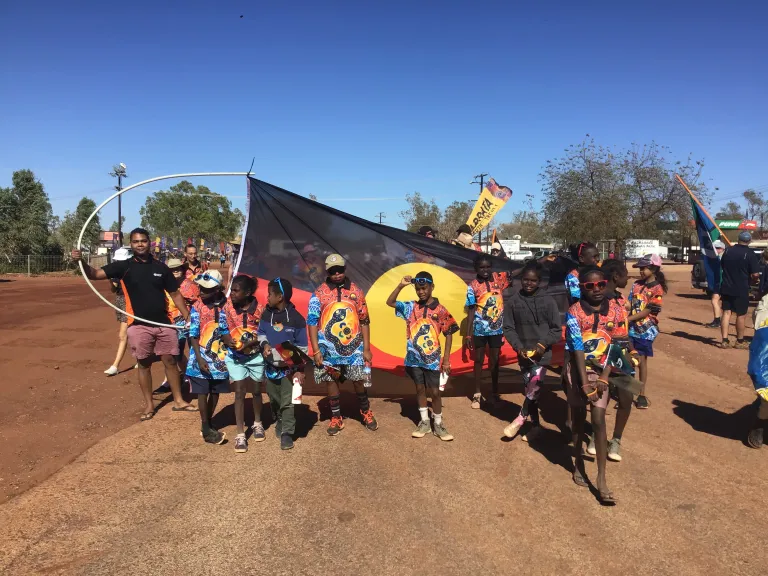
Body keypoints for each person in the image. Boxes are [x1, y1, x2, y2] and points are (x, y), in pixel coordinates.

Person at [72, 229, 196, 420]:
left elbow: (175, 294)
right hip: (138, 324)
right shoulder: (124, 267)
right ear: (131, 244)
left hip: (164, 322)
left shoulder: (161, 267)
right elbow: (95, 274)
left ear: (149, 243)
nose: (140, 244)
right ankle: (148, 405)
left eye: (143, 241)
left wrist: (187, 316)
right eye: (136, 241)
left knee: (171, 361)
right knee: (144, 363)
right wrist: (80, 261)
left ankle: (179, 401)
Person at [565, 267, 623, 504]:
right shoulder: (574, 312)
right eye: (589, 286)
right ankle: (578, 461)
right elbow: (577, 347)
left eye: (601, 284)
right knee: (578, 418)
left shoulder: (617, 311)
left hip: (603, 371)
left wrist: (603, 377)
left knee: (598, 419)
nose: (596, 289)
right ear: (581, 289)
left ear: (606, 284)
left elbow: (617, 344)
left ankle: (601, 478)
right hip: (578, 369)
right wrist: (583, 382)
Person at [307, 254, 377, 435]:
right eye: (332, 271)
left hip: (355, 348)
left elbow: (365, 321)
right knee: (331, 381)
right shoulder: (318, 293)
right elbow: (312, 322)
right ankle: (336, 417)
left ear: (345, 269)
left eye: (340, 270)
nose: (337, 274)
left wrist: (367, 349)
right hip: (327, 349)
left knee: (359, 380)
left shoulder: (357, 291)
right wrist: (316, 350)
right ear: (327, 272)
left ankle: (365, 410)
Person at [387, 272, 459, 440]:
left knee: (434, 392)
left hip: (432, 360)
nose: (421, 292)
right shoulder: (411, 307)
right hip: (414, 359)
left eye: (424, 288)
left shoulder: (440, 310)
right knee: (419, 388)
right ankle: (425, 422)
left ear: (432, 287)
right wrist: (401, 285)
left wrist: (446, 359)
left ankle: (439, 424)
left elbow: (449, 333)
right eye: (418, 289)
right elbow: (390, 302)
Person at [502, 261, 562, 441]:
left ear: (539, 281)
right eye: (526, 280)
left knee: (535, 385)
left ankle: (520, 419)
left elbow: (556, 330)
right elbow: (508, 328)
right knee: (531, 390)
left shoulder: (548, 301)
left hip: (543, 354)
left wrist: (542, 345)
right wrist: (518, 347)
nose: (529, 283)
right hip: (523, 354)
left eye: (533, 281)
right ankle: (536, 427)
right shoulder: (513, 302)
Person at [586, 259, 637, 462]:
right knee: (601, 399)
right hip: (602, 355)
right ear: (616, 276)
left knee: (626, 398)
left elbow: (623, 329)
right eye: (625, 274)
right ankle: (595, 436)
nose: (628, 277)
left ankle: (616, 440)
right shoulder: (599, 300)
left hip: (622, 354)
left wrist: (631, 350)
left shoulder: (620, 299)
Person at [257, 278, 308, 451]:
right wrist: (264, 345)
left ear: (280, 297)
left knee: (288, 401)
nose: (267, 297)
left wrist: (299, 370)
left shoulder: (297, 319)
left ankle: (287, 432)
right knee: (274, 399)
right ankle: (278, 418)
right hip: (270, 368)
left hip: (290, 370)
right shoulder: (266, 315)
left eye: (270, 294)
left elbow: (302, 348)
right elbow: (261, 333)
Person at [219, 274, 266, 453]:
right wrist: (227, 339)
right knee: (239, 392)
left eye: (236, 291)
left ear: (247, 292)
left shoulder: (260, 310)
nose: (231, 294)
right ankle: (240, 435)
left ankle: (257, 422)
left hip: (256, 358)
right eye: (231, 290)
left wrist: (250, 344)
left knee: (255, 392)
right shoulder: (228, 308)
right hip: (235, 357)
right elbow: (223, 329)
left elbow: (263, 334)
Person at [187, 269, 230, 445]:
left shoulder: (227, 305)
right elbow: (193, 334)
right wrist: (199, 357)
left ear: (218, 289)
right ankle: (205, 427)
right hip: (201, 356)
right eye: (200, 288)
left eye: (207, 289)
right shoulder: (197, 307)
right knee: (202, 391)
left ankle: (209, 421)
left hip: (221, 358)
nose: (202, 292)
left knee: (215, 391)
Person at [465, 253, 510, 409]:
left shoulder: (499, 279)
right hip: (479, 329)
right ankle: (477, 394)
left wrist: (540, 261)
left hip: (497, 330)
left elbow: (517, 272)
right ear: (476, 268)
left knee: (495, 361)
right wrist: (468, 333)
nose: (485, 270)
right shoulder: (472, 286)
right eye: (481, 267)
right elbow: (471, 310)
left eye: (488, 267)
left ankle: (494, 393)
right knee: (478, 361)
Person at [628, 254, 667, 409]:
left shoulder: (658, 289)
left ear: (654, 268)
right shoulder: (636, 284)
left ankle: (641, 394)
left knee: (641, 361)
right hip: (631, 328)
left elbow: (649, 311)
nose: (641, 271)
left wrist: (628, 319)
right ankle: (628, 393)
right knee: (630, 360)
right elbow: (629, 304)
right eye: (641, 268)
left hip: (645, 330)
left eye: (644, 268)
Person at [718, 232, 760, 348]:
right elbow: (755, 274)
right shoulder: (750, 254)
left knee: (726, 313)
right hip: (741, 288)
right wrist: (754, 280)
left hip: (726, 287)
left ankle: (724, 340)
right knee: (741, 314)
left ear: (738, 239)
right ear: (749, 240)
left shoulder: (727, 251)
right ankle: (739, 341)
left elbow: (722, 266)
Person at [104, 247, 133, 376]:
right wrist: (110, 280)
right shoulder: (116, 273)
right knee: (132, 331)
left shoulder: (131, 271)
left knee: (123, 335)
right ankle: (142, 358)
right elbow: (113, 290)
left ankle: (115, 365)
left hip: (130, 302)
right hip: (120, 301)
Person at [704, 240, 726, 329]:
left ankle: (719, 321)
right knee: (714, 300)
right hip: (719, 283)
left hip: (724, 283)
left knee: (719, 302)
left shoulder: (722, 258)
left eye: (717, 248)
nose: (715, 250)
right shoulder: (718, 257)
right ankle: (717, 320)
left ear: (722, 248)